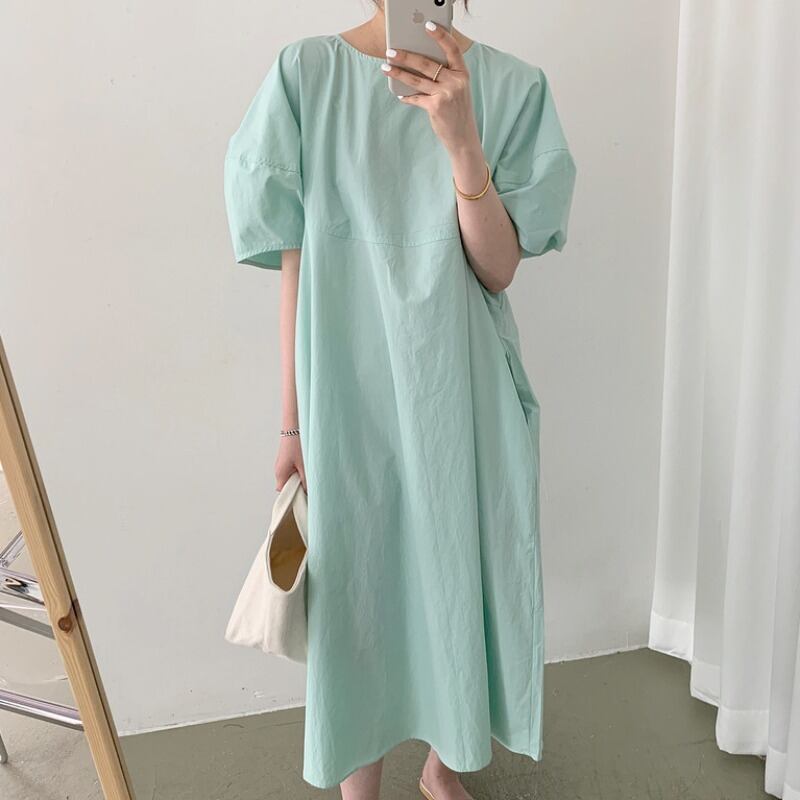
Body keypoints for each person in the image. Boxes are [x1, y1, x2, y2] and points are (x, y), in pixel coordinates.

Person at [223, 2, 576, 798]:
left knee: (466, 567)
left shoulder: (512, 88)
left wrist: (462, 142)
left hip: (463, 387)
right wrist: (291, 422)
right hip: (346, 386)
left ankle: (443, 769)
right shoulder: (305, 75)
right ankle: (362, 788)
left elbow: (498, 269)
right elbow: (296, 263)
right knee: (356, 581)